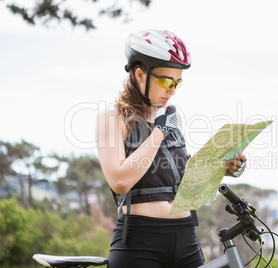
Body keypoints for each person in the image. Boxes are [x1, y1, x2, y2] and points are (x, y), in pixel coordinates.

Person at [95, 29, 247, 268]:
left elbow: (182, 179)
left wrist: (223, 166)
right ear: (140, 75)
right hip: (139, 242)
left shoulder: (171, 119)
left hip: (185, 237)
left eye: (178, 82)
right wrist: (159, 131)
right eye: (166, 81)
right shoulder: (113, 119)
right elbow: (119, 181)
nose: (172, 90)